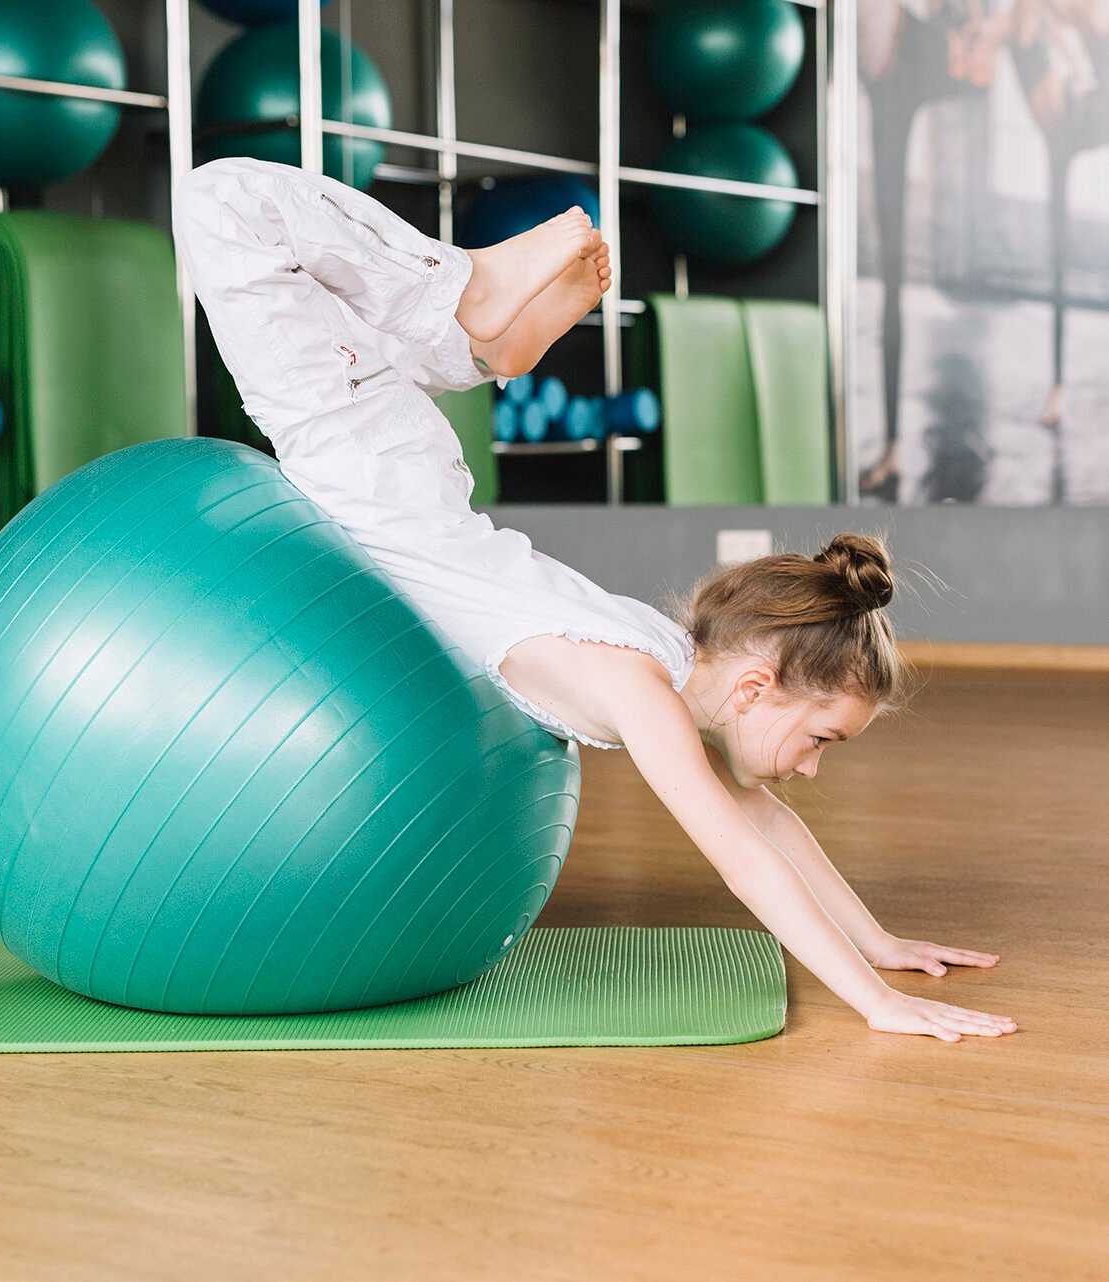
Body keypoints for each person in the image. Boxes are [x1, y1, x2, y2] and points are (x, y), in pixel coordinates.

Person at [172, 157, 1016, 1043]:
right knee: (221, 199)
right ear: (755, 685)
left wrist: (876, 943)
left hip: (395, 471)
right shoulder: (641, 690)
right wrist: (875, 1006)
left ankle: (477, 342)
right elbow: (741, 864)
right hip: (363, 468)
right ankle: (473, 297)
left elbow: (766, 824)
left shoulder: (672, 664)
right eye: (820, 740)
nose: (808, 768)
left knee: (248, 228)